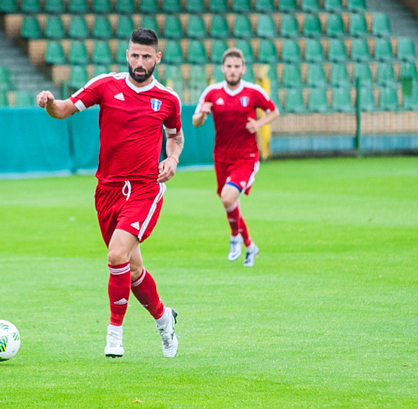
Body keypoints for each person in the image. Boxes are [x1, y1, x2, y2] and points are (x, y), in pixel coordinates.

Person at [36, 29, 184, 358]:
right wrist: (49, 104)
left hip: (145, 189)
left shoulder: (168, 99)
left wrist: (172, 158)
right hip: (107, 190)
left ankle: (114, 333)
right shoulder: (107, 85)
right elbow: (63, 110)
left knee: (116, 256)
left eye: (147, 56)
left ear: (157, 58)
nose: (140, 62)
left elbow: (176, 136)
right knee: (131, 271)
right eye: (135, 55)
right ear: (127, 54)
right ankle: (164, 318)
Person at [192, 48, 279, 267]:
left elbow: (273, 111)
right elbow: (195, 121)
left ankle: (234, 238)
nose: (232, 71)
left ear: (243, 69)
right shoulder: (212, 92)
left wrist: (257, 125)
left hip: (246, 157)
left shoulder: (253, 92)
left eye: (236, 66)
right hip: (221, 157)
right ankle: (250, 246)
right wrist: (202, 114)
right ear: (223, 69)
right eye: (229, 67)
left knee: (228, 198)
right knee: (231, 204)